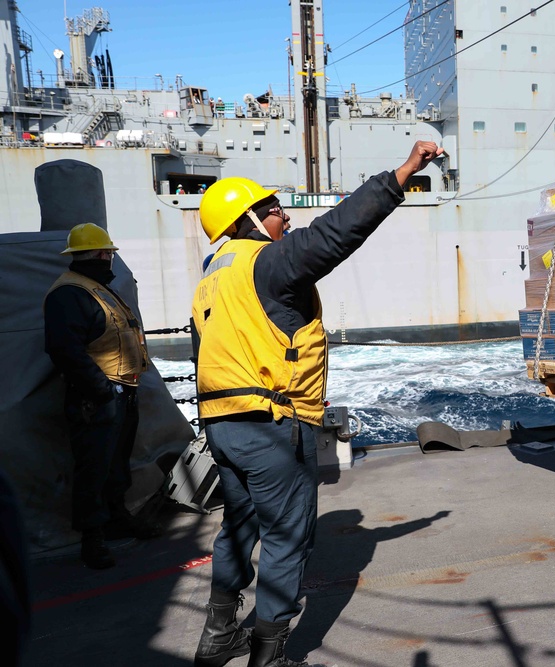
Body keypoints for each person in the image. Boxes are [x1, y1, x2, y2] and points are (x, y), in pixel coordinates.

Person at [191, 140, 441, 667]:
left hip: (222, 424)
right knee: (287, 537)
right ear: (249, 220)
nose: (283, 217)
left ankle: (218, 635)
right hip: (273, 424)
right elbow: (336, 232)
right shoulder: (269, 263)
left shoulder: (212, 280)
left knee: (239, 526)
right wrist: (400, 175)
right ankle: (271, 655)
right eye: (275, 209)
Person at [43, 223, 157, 570]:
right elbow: (64, 349)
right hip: (99, 396)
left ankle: (116, 517)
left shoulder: (96, 288)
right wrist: (101, 390)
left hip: (121, 391)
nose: (110, 259)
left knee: (115, 462)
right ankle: (91, 540)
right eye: (108, 253)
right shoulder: (70, 294)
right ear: (99, 254)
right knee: (93, 466)